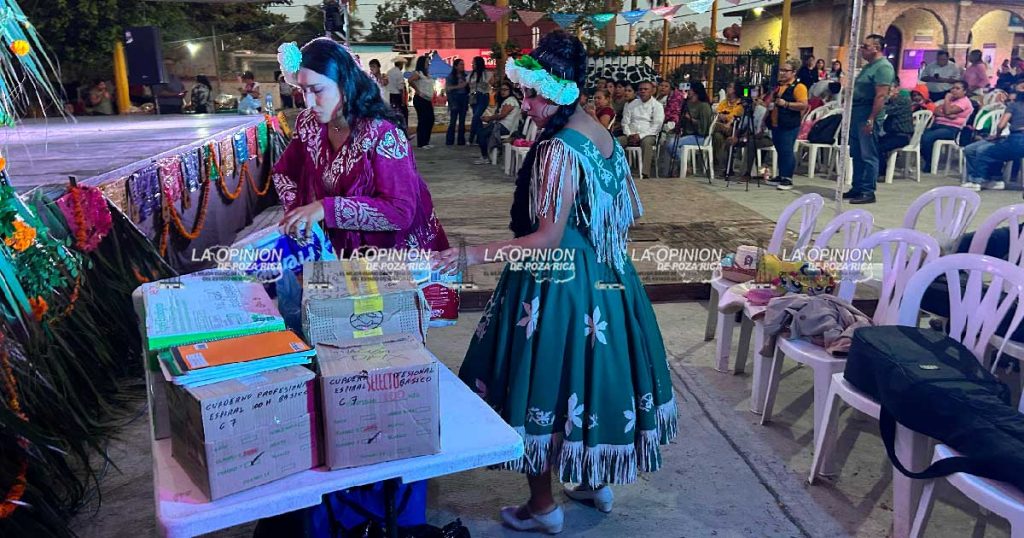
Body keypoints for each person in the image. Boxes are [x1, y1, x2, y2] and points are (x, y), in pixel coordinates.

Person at [433, 31, 677, 533]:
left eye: (536, 94)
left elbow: (545, 237)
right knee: (585, 379)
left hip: (556, 283)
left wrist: (471, 254)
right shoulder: (602, 134)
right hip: (607, 276)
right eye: (525, 92)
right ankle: (590, 482)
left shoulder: (559, 148)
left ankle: (543, 506)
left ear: (564, 90)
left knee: (537, 380)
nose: (527, 104)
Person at [271, 37, 449, 258]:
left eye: (316, 90)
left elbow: (400, 211)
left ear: (346, 85)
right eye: (303, 90)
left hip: (394, 253)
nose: (309, 102)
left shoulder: (383, 135)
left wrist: (327, 209)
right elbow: (284, 172)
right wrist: (298, 214)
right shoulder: (310, 124)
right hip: (339, 249)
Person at [842, 34, 894, 204]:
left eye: (865, 46)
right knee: (856, 152)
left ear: (876, 48)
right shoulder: (868, 67)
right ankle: (857, 187)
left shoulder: (883, 68)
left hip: (867, 112)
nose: (861, 49)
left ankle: (867, 190)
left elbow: (880, 96)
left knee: (868, 154)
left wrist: (871, 119)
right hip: (857, 111)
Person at [964, 79, 1024, 191]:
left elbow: (1001, 125)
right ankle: (993, 179)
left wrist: (997, 135)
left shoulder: (1014, 106)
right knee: (973, 149)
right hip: (1013, 139)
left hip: (1017, 140)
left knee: (985, 151)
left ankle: (979, 180)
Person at [767, 58, 809, 191]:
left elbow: (803, 104)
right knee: (780, 149)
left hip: (789, 124)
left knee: (787, 150)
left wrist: (786, 104)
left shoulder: (799, 87)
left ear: (794, 72)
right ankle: (781, 175)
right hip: (776, 122)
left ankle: (788, 178)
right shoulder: (779, 86)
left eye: (786, 71)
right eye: (781, 70)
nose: (782, 73)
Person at [660, 82, 713, 175]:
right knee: (669, 142)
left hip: (699, 136)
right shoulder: (687, 103)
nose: (688, 92)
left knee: (672, 144)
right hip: (686, 134)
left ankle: (685, 165)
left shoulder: (704, 106)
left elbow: (704, 126)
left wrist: (691, 119)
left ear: (695, 92)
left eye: (690, 90)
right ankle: (678, 167)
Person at [920, 81, 973, 174]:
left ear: (964, 91)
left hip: (952, 129)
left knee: (927, 138)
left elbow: (948, 111)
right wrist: (947, 115)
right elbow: (935, 111)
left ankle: (929, 163)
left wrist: (946, 100)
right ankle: (928, 160)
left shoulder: (964, 102)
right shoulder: (952, 100)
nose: (954, 90)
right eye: (953, 88)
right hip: (939, 125)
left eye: (957, 88)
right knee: (920, 135)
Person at [618, 80, 664, 179]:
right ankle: (617, 170)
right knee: (616, 142)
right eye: (640, 89)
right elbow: (625, 122)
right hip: (630, 134)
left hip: (648, 135)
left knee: (646, 143)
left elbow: (657, 125)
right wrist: (629, 134)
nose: (643, 91)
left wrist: (640, 136)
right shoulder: (631, 104)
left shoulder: (657, 106)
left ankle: (645, 173)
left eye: (646, 89)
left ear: (652, 91)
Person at [473, 81, 521, 165]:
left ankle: (485, 157)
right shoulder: (507, 100)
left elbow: (502, 115)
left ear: (510, 91)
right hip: (502, 125)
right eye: (501, 90)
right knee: (482, 132)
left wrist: (489, 118)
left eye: (505, 90)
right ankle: (487, 155)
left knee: (481, 134)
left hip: (505, 127)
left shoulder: (511, 101)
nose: (502, 91)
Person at [877, 80, 914, 172]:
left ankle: (881, 173)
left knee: (878, 147)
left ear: (897, 89)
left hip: (902, 135)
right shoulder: (892, 100)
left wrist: (882, 100)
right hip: (891, 133)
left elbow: (883, 110)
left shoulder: (902, 100)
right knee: (871, 142)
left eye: (889, 89)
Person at [711, 82, 744, 174]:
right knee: (717, 136)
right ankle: (718, 163)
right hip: (723, 128)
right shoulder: (724, 102)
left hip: (734, 129)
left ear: (735, 90)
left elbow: (733, 117)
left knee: (715, 127)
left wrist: (724, 116)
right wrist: (723, 116)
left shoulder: (739, 104)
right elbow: (718, 112)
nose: (727, 88)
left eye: (730, 87)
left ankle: (707, 130)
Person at [408, 55, 436, 149]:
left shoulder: (427, 74)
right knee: (423, 120)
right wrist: (417, 90)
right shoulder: (418, 73)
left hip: (427, 99)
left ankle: (426, 141)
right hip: (420, 99)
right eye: (427, 62)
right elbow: (410, 80)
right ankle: (421, 143)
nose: (428, 64)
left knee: (430, 119)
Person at [445, 58, 470, 146]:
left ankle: (461, 140)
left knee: (462, 121)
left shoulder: (466, 76)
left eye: (463, 64)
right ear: (455, 66)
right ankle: (449, 140)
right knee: (453, 121)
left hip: (464, 98)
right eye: (461, 64)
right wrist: (458, 86)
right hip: (455, 98)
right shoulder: (451, 76)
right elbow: (447, 89)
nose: (462, 66)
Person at [467, 56, 491, 144]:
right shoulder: (471, 74)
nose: (472, 64)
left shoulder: (486, 73)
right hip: (473, 97)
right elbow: (468, 84)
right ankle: (480, 138)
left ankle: (471, 138)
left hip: (482, 96)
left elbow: (489, 83)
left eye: (474, 63)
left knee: (476, 117)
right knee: (478, 119)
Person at [386, 58, 409, 125]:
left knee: (393, 113)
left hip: (390, 95)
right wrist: (403, 101)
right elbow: (400, 88)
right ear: (401, 65)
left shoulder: (389, 72)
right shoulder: (399, 73)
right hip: (397, 96)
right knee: (403, 113)